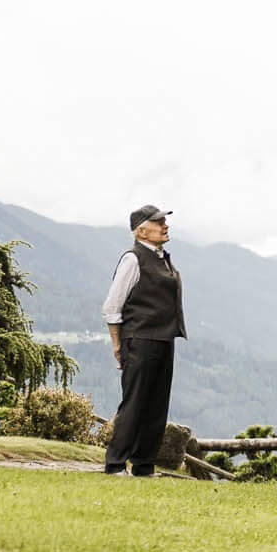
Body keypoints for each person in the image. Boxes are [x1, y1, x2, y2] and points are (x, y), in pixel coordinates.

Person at [101, 203, 186, 477]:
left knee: (156, 405)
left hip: (163, 339)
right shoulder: (133, 259)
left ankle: (143, 464)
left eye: (164, 220)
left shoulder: (162, 257)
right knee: (135, 402)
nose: (165, 225)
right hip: (139, 339)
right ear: (141, 230)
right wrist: (118, 344)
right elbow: (112, 306)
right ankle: (115, 463)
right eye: (158, 221)